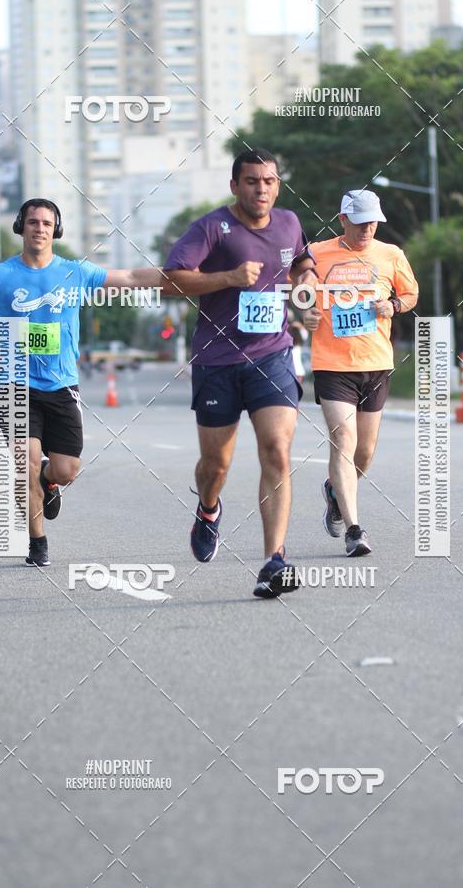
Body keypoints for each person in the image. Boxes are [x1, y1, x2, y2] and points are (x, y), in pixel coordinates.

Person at [0, 198, 166, 567]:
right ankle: (37, 541)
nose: (39, 228)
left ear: (56, 230)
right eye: (33, 222)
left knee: (67, 469)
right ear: (21, 226)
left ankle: (50, 483)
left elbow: (131, 278)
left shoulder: (74, 272)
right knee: (26, 463)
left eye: (47, 223)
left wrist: (183, 275)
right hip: (15, 384)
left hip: (62, 385)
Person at [163, 148, 318, 598]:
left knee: (277, 450)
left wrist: (305, 282)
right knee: (217, 465)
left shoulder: (289, 222)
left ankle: (274, 560)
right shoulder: (212, 227)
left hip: (272, 354)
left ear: (278, 185)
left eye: (269, 181)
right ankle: (208, 508)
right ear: (235, 186)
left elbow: (301, 261)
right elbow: (173, 277)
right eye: (252, 181)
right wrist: (227, 277)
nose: (262, 189)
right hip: (217, 360)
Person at [304, 189, 418, 556]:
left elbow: (411, 294)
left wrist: (393, 305)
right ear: (342, 220)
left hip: (376, 363)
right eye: (360, 221)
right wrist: (302, 311)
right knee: (344, 440)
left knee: (364, 453)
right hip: (332, 364)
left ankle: (335, 491)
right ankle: (355, 530)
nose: (367, 228)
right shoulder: (317, 253)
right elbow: (298, 290)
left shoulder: (391, 255)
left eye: (373, 221)